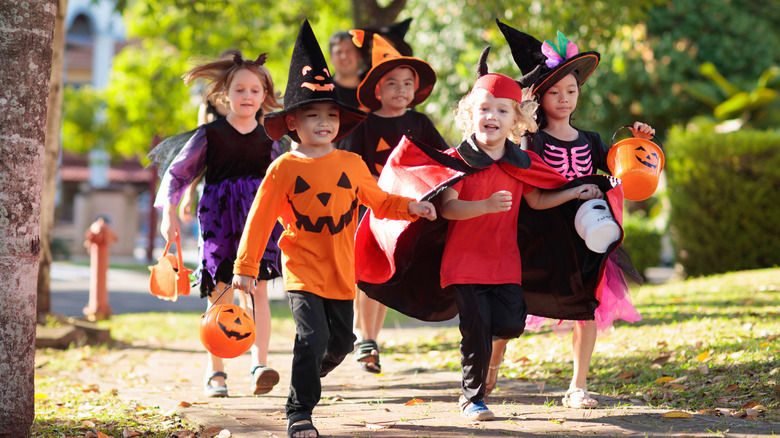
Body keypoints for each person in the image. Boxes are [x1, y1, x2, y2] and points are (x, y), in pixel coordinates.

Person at [231, 20, 437, 438]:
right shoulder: (284, 168)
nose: (323, 123)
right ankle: (299, 412)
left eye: (329, 115)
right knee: (312, 336)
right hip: (303, 271)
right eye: (311, 115)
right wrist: (245, 268)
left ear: (340, 123)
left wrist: (413, 207)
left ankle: (303, 377)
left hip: (343, 272)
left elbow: (379, 201)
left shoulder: (350, 165)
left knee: (339, 345)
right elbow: (260, 219)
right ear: (293, 122)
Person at [490, 20, 651, 408]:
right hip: (539, 236)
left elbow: (624, 174)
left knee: (587, 306)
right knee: (513, 306)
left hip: (586, 238)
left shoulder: (592, 140)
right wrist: (573, 190)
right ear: (539, 97)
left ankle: (578, 385)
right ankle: (490, 365)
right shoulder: (531, 140)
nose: (565, 98)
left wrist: (639, 142)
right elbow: (530, 193)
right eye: (556, 92)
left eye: (572, 90)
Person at [437, 66, 604, 420]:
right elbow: (448, 207)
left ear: (515, 120)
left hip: (505, 263)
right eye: (484, 109)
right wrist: (483, 206)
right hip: (464, 264)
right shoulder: (459, 160)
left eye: (501, 110)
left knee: (511, 324)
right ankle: (472, 397)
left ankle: (486, 362)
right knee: (476, 330)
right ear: (469, 115)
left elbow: (538, 200)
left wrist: (574, 190)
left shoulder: (521, 162)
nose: (491, 116)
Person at [153, 51, 284, 398]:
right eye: (240, 89)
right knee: (220, 292)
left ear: (264, 96)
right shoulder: (209, 135)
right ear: (226, 93)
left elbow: (286, 183)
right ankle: (217, 373)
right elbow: (177, 175)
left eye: (255, 91)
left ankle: (260, 364)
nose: (247, 97)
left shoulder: (272, 139)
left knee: (258, 291)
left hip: (259, 221)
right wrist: (168, 215)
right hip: (217, 220)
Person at [338, 33, 449, 374]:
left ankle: (368, 337)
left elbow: (443, 159)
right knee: (370, 271)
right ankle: (364, 336)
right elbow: (349, 164)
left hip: (406, 211)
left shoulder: (420, 123)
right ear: (377, 90)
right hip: (370, 208)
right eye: (392, 83)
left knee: (385, 274)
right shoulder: (366, 124)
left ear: (415, 90)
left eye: (407, 84)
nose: (400, 90)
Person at [328, 31, 364, 109]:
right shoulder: (325, 92)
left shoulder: (373, 90)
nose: (344, 56)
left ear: (358, 55)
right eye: (338, 52)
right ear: (331, 58)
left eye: (349, 51)